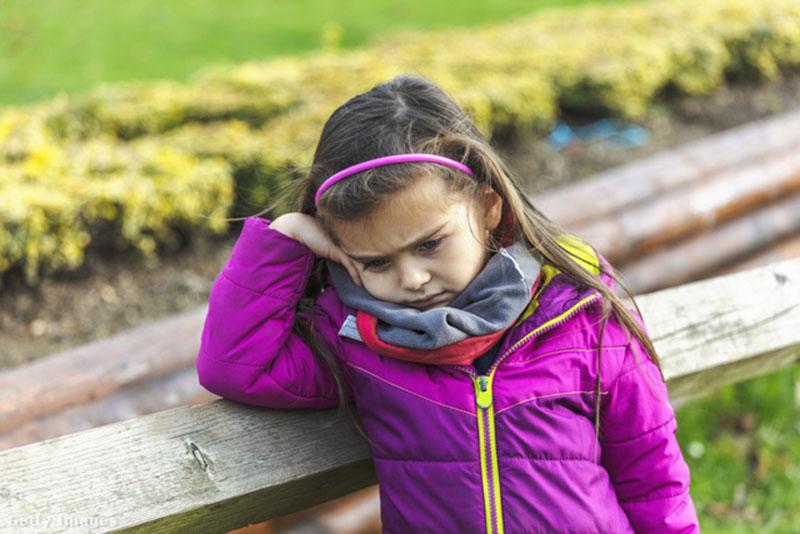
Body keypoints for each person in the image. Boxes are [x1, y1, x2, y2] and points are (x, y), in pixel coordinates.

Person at [196, 73, 699, 533]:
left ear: (487, 206)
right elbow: (236, 364)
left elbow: (653, 478)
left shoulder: (581, 312)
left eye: (430, 244)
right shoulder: (356, 340)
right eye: (375, 263)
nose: (411, 279)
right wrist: (286, 237)